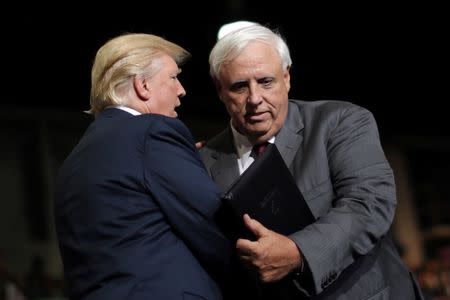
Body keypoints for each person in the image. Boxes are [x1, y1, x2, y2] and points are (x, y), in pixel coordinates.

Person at [199, 22, 424, 299]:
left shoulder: (340, 122)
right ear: (219, 89)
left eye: (266, 81)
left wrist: (298, 252)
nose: (255, 98)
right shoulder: (203, 161)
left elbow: (369, 202)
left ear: (287, 77)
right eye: (239, 87)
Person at [54, 33, 232, 300]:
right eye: (173, 77)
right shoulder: (153, 131)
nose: (181, 89)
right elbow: (215, 226)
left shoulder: (73, 161)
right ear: (143, 85)